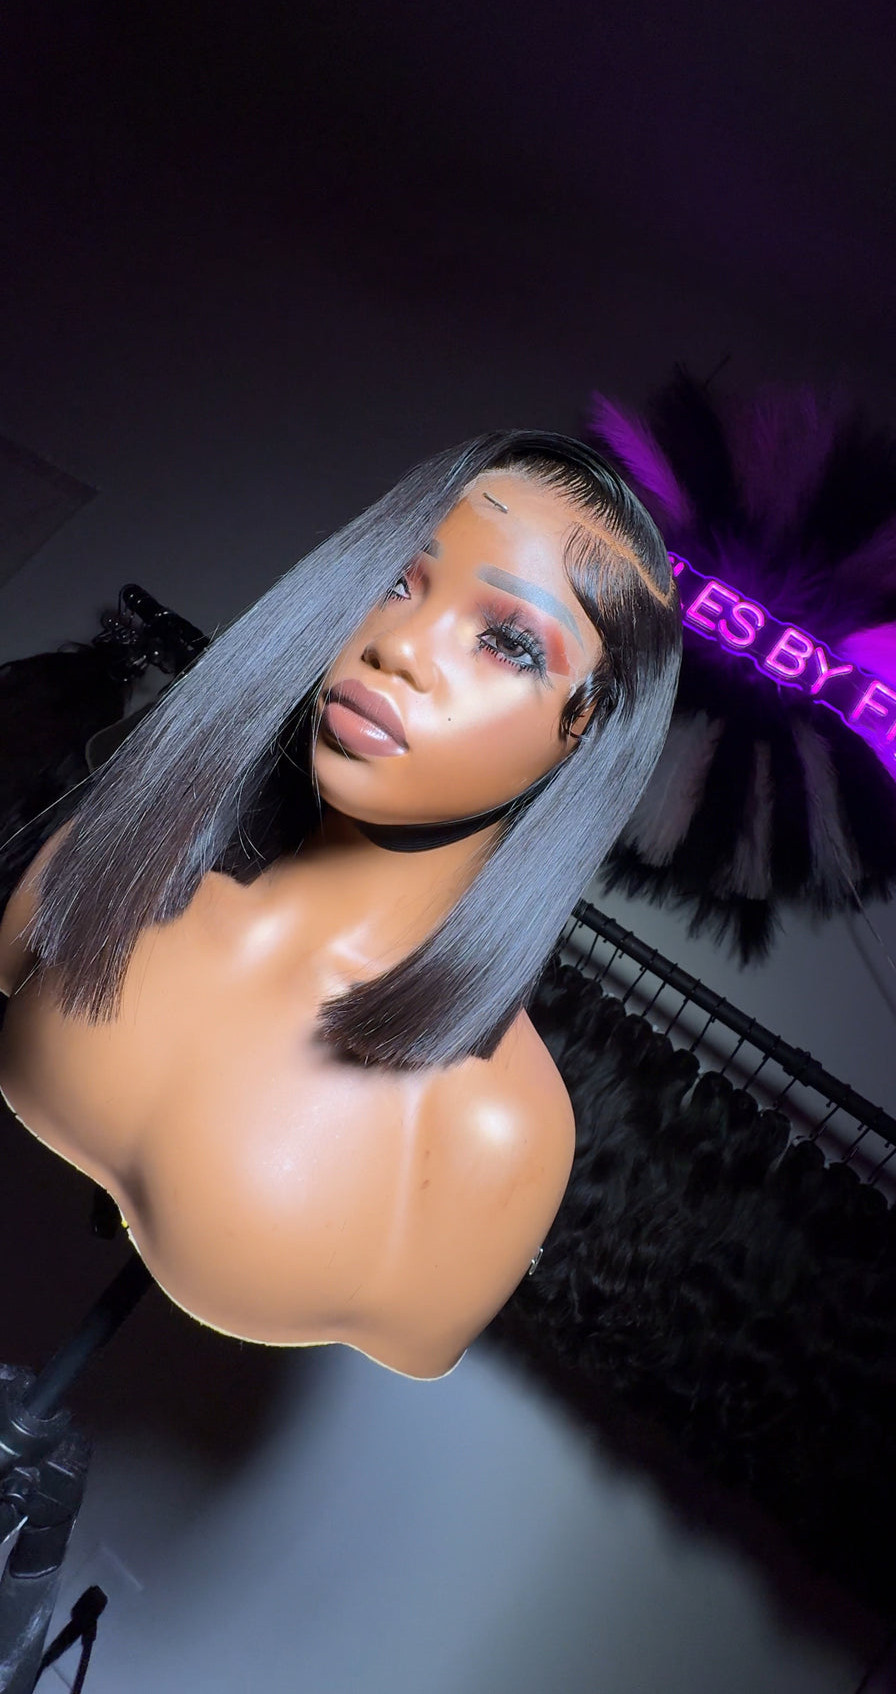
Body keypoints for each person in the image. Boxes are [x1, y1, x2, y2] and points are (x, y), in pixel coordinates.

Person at [0, 432, 681, 1379]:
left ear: (585, 732)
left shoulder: (495, 1129)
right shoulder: (113, 862)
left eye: (508, 642)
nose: (397, 644)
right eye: (398, 582)